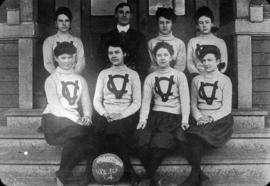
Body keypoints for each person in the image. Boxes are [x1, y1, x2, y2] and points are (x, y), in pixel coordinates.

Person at [41, 41, 99, 186]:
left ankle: (65, 174)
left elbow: (86, 102)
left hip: (73, 121)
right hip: (54, 118)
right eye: (63, 58)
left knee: (90, 135)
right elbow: (55, 106)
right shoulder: (51, 79)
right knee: (81, 134)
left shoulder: (80, 80)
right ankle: (64, 174)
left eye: (69, 57)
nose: (67, 61)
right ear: (56, 59)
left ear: (75, 58)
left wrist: (86, 116)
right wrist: (77, 119)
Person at [136, 42, 190, 186]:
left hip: (172, 116)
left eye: (165, 54)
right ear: (154, 57)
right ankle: (153, 179)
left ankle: (148, 177)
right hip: (154, 116)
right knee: (141, 141)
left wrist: (185, 120)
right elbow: (146, 102)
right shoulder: (150, 78)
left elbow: (185, 100)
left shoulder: (179, 75)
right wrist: (143, 120)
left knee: (159, 144)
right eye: (159, 55)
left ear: (171, 56)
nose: (162, 58)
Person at [181, 45, 233, 186]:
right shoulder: (196, 80)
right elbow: (193, 104)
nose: (206, 63)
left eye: (210, 60)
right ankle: (200, 175)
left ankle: (194, 176)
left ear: (217, 61)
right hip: (200, 117)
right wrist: (199, 117)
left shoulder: (225, 80)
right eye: (203, 60)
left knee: (195, 136)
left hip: (220, 119)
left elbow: (226, 107)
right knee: (182, 136)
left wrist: (210, 118)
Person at [93, 39, 141, 186]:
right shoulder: (103, 74)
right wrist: (104, 113)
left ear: (124, 53)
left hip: (126, 115)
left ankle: (121, 172)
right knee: (99, 133)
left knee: (115, 132)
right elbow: (97, 100)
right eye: (110, 53)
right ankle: (128, 172)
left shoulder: (133, 74)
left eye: (117, 52)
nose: (113, 55)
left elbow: (136, 102)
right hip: (106, 114)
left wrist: (121, 114)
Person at [97, 2, 150, 80]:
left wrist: (134, 75)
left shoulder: (139, 37)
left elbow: (145, 61)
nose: (124, 15)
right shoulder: (106, 37)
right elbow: (100, 59)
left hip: (132, 78)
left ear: (131, 16)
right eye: (121, 12)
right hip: (111, 77)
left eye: (127, 13)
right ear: (116, 15)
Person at [187, 6, 228, 77]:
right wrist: (198, 76)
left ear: (212, 23)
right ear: (197, 25)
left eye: (207, 22)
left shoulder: (220, 42)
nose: (204, 25)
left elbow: (224, 63)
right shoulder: (192, 42)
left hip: (216, 78)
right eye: (201, 23)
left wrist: (216, 75)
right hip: (198, 77)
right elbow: (190, 63)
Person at [43, 7, 85, 74]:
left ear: (70, 23)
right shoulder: (49, 41)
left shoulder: (77, 41)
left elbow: (81, 63)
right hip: (55, 78)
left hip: (73, 77)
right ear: (56, 23)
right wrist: (59, 77)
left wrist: (73, 76)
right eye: (60, 21)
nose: (64, 24)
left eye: (67, 20)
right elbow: (48, 63)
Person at [148, 7, 186, 73]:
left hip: (175, 78)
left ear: (172, 23)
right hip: (156, 78)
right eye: (161, 22)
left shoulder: (179, 43)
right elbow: (151, 66)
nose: (164, 25)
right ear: (157, 23)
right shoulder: (151, 43)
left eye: (167, 22)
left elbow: (180, 67)